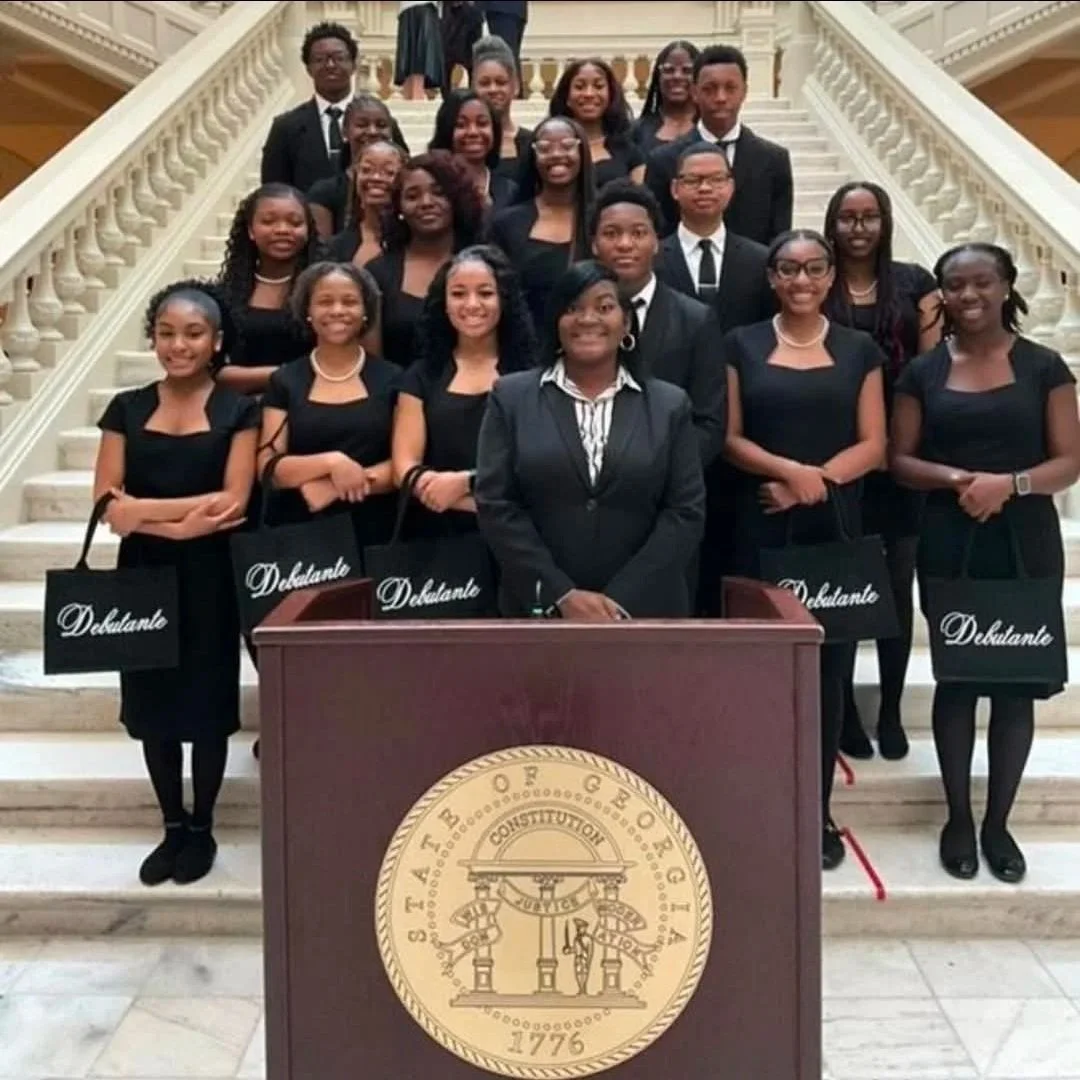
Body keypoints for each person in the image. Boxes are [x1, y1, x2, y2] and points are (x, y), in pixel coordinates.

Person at [891, 242, 1080, 884]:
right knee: (959, 678)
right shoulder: (923, 372)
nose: (968, 296)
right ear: (941, 293)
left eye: (981, 283)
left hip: (1026, 539)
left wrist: (1011, 485)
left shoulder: (1044, 366)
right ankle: (958, 819)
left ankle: (998, 823)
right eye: (955, 285)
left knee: (1015, 684)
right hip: (950, 535)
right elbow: (900, 460)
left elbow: (1068, 461)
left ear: (1006, 286)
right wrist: (959, 480)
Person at [722, 230, 887, 869]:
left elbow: (874, 444)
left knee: (827, 674)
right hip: (759, 525)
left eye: (814, 268)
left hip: (832, 528)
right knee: (758, 672)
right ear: (771, 277)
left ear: (830, 276)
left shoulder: (859, 349)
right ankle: (757, 806)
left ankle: (816, 809)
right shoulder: (740, 343)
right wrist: (789, 472)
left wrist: (814, 483)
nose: (801, 280)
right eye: (788, 269)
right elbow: (731, 438)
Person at [92, 281, 258, 886]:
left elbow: (233, 500)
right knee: (152, 704)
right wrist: (176, 523)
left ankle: (203, 825)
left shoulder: (240, 411)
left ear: (216, 341)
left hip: (211, 575)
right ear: (153, 338)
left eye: (192, 333)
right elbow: (107, 504)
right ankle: (171, 825)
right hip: (142, 575)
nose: (178, 345)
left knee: (208, 703)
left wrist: (144, 512)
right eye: (166, 333)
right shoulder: (125, 408)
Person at [476, 261, 706, 619]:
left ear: (626, 323)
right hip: (540, 611)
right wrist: (560, 594)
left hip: (645, 611)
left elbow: (685, 511)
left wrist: (621, 600)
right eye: (573, 308)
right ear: (556, 321)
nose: (587, 319)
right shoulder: (511, 397)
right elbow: (496, 504)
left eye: (604, 307)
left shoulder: (669, 404)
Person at [823, 181, 942, 762]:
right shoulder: (816, 279)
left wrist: (904, 439)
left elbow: (931, 369)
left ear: (886, 222)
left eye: (869, 216)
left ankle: (891, 709)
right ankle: (844, 710)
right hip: (836, 454)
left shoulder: (916, 283)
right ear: (832, 224)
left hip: (899, 456)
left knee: (896, 585)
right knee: (845, 585)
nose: (859, 227)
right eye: (848, 217)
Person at [259, 262, 402, 557]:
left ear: (366, 311)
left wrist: (334, 487)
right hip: (301, 532)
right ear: (307, 311)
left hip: (378, 533)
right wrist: (331, 464)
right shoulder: (284, 381)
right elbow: (268, 467)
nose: (337, 310)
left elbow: (403, 465)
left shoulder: (394, 378)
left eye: (349, 301)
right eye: (325, 301)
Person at [392, 245, 535, 539]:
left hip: (517, 533)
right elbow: (403, 467)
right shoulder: (421, 375)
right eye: (458, 294)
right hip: (437, 534)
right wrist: (440, 493)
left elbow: (538, 463)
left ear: (504, 300)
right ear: (443, 303)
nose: (471, 304)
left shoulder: (532, 373)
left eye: (485, 293)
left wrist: (466, 485)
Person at [589, 180, 725, 465]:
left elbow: (709, 424)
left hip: (667, 479)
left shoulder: (695, 320)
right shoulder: (574, 316)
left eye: (638, 233)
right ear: (594, 244)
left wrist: (653, 473)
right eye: (611, 233)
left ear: (656, 243)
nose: (625, 244)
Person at [645, 45, 793, 244]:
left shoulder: (773, 160)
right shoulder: (663, 160)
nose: (720, 98)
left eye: (730, 88)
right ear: (694, 92)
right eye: (710, 89)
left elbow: (780, 239)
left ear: (744, 91)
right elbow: (657, 236)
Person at [367, 151, 486, 365]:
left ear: (457, 199)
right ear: (399, 208)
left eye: (439, 192)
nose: (426, 203)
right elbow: (374, 364)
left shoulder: (486, 265)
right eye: (412, 196)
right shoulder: (377, 273)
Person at [486, 116, 594, 332]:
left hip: (590, 337)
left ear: (582, 152)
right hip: (528, 342)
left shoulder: (602, 218)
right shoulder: (507, 224)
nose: (556, 154)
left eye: (567, 146)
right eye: (545, 148)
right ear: (533, 157)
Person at [654, 143, 773, 334]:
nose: (705, 188)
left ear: (731, 187)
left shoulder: (760, 260)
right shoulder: (653, 258)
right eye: (693, 180)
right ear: (675, 189)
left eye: (717, 179)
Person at [216, 184, 320, 397]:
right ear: (250, 230)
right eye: (268, 221)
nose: (282, 229)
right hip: (239, 407)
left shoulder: (323, 289)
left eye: (295, 222)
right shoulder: (226, 295)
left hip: (309, 403)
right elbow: (212, 371)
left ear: (308, 230)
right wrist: (284, 374)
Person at [261, 22, 358, 194]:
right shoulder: (285, 127)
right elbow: (273, 192)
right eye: (320, 59)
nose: (330, 65)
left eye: (339, 58)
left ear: (354, 64)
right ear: (308, 69)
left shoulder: (377, 121)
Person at [307, 94, 409, 239]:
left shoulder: (406, 183)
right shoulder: (324, 192)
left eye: (381, 125)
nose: (373, 131)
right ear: (344, 131)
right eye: (362, 125)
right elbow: (321, 247)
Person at [548, 58, 645, 188]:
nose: (589, 94)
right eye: (579, 87)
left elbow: (640, 197)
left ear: (611, 95)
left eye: (598, 86)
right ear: (567, 97)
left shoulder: (629, 150)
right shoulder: (548, 149)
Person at [428, 89, 517, 209]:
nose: (473, 132)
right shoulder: (431, 187)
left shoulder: (511, 191)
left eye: (482, 123)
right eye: (461, 125)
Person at [326, 140, 407, 268]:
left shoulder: (415, 241)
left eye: (389, 172)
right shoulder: (335, 247)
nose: (376, 177)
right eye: (366, 170)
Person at [472, 35, 531, 180]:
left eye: (500, 82)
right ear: (473, 88)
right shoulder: (465, 141)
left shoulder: (531, 143)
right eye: (484, 83)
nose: (493, 89)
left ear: (515, 86)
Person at [632, 41, 700, 155]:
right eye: (669, 70)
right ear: (658, 77)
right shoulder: (635, 132)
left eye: (687, 71)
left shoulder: (712, 128)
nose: (677, 76)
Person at [395, 1, 444, 101]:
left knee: (411, 51)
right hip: (422, 8)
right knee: (419, 52)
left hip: (408, 8)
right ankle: (417, 96)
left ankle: (412, 96)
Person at [441, 0, 485, 97]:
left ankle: (473, 94)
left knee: (473, 60)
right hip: (450, 13)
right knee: (446, 59)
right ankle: (446, 96)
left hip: (470, 14)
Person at [476, 1, 528, 79]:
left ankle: (512, 86)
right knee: (508, 57)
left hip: (502, 9)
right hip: (509, 9)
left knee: (505, 58)